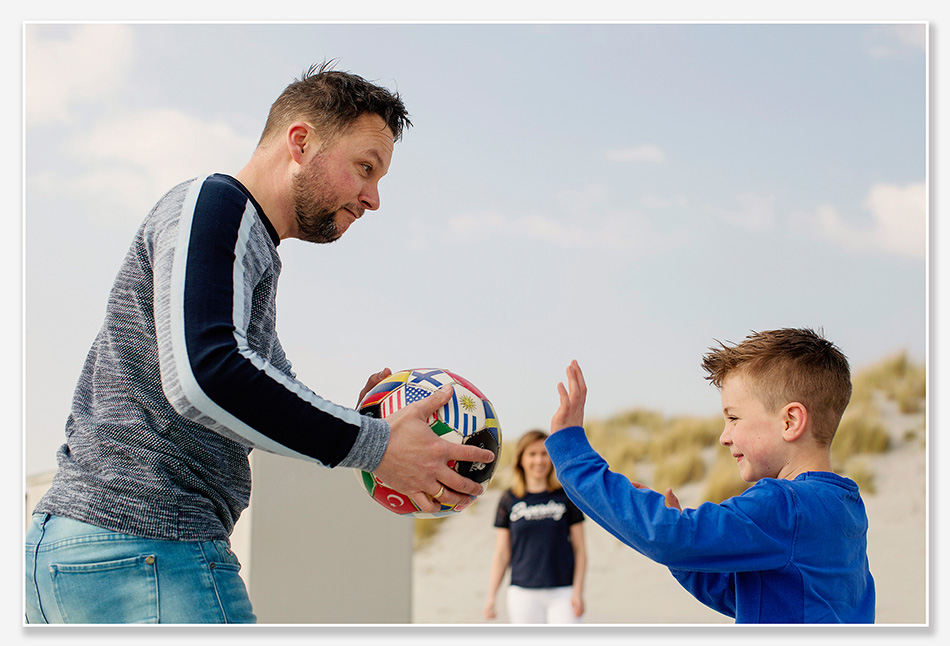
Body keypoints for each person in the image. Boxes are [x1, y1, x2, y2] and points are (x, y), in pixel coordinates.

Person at [24, 62, 495, 624]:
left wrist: (366, 420)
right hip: (145, 548)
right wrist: (375, 444)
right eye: (365, 168)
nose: (373, 198)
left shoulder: (248, 248)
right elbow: (206, 378)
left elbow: (253, 396)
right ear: (301, 142)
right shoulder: (216, 205)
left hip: (97, 551)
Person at [546, 328, 875, 624]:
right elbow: (753, 596)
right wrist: (688, 556)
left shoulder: (786, 505)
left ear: (790, 421)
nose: (724, 437)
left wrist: (572, 455)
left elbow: (668, 536)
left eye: (733, 418)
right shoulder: (844, 505)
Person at [484, 429, 587, 624]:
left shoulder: (567, 496)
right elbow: (502, 553)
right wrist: (491, 597)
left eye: (544, 454)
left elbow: (580, 549)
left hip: (563, 591)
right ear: (521, 460)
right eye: (532, 454)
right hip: (523, 592)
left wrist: (578, 591)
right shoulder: (509, 499)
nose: (539, 460)